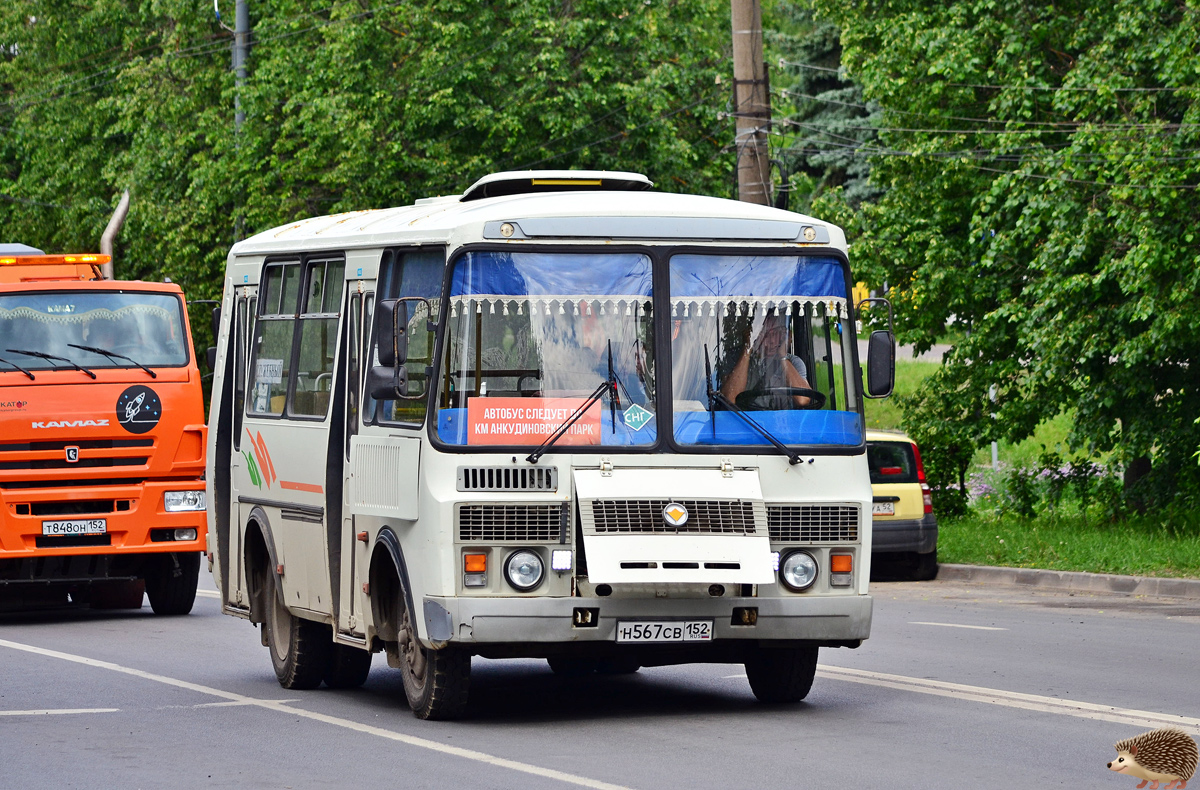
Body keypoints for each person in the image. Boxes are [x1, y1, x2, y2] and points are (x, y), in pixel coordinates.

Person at [720, 312, 814, 409]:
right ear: (753, 334)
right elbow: (730, 398)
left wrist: (783, 356)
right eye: (765, 334)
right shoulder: (734, 358)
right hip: (743, 421)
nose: (772, 341)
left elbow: (803, 399)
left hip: (780, 421)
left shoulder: (793, 362)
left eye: (776, 333)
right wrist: (747, 349)